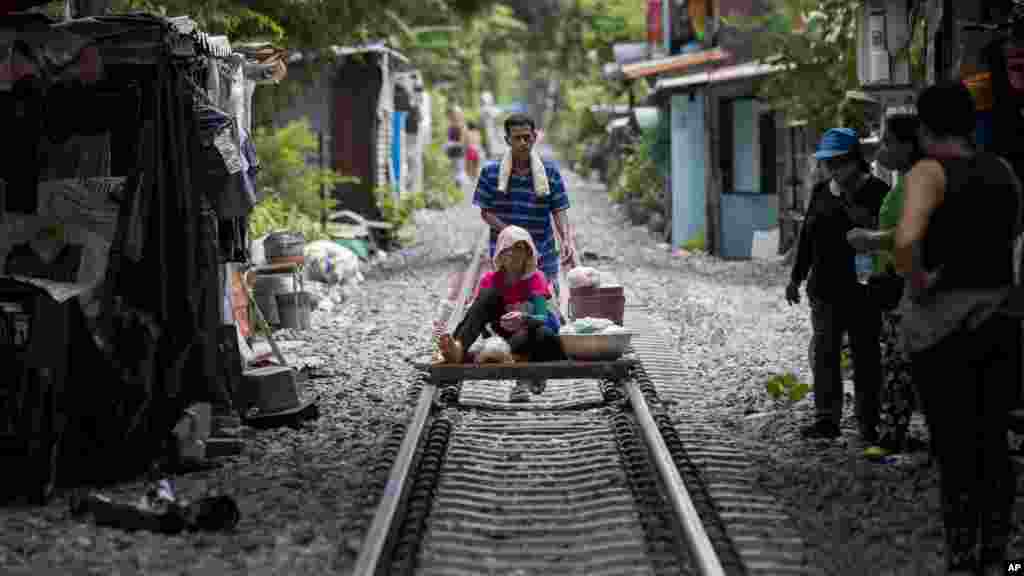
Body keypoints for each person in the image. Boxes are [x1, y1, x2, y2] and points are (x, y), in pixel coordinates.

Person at [893, 81, 1022, 575]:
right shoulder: (1002, 171)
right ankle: (997, 554)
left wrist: (921, 281)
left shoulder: (929, 172)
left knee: (953, 447)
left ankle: (962, 555)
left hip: (943, 330)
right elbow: (1011, 239)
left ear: (925, 129)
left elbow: (907, 244)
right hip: (999, 321)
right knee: (992, 440)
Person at [787, 127, 889, 441]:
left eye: (839, 162)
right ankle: (826, 420)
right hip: (824, 289)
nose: (833, 169)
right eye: (829, 163)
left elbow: (888, 238)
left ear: (856, 161)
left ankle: (868, 423)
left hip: (864, 290)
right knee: (825, 354)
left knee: (866, 356)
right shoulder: (820, 192)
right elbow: (807, 238)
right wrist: (796, 277)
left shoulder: (878, 192)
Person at [847, 112, 925, 455]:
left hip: (909, 285)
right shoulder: (903, 181)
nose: (881, 150)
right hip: (892, 282)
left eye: (888, 142)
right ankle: (893, 431)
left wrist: (871, 239)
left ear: (909, 145)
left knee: (898, 364)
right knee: (894, 361)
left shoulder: (919, 183)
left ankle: (893, 435)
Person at [437, 226, 566, 401]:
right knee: (487, 295)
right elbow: (478, 315)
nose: (512, 254)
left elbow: (543, 317)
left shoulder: (536, 278)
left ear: (528, 254)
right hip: (503, 340)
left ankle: (525, 375)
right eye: (507, 249)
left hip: (531, 335)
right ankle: (459, 347)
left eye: (519, 248)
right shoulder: (490, 279)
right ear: (500, 255)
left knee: (542, 333)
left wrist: (524, 318)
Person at [445, 105, 467, 188]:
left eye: (455, 114)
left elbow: (462, 142)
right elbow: (448, 137)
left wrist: (451, 143)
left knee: (458, 171)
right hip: (451, 151)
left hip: (458, 151)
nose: (453, 115)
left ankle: (458, 189)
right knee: (452, 171)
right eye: (452, 114)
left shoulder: (461, 125)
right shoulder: (450, 125)